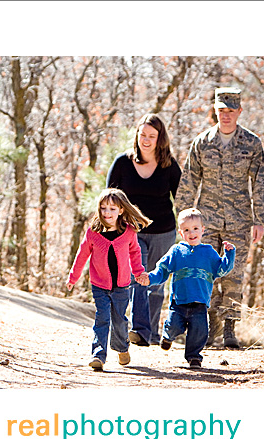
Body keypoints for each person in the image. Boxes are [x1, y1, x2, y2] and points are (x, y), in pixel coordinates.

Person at [175, 87, 264, 348]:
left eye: (230, 111)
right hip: (206, 221)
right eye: (221, 111)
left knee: (234, 273)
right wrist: (182, 219)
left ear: (239, 111)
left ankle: (230, 328)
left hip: (240, 220)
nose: (225, 116)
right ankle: (208, 324)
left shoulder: (251, 144)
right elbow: (188, 182)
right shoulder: (202, 143)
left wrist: (260, 219)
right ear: (215, 111)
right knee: (206, 272)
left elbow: (261, 182)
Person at [106, 113, 182, 347]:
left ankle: (150, 333)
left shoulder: (169, 165)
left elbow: (182, 198)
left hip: (163, 231)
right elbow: (109, 197)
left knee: (156, 283)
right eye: (143, 135)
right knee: (134, 280)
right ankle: (138, 330)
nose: (146, 140)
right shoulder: (122, 163)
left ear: (160, 139)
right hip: (131, 232)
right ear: (137, 135)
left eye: (152, 136)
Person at [136, 208, 235, 368]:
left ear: (202, 230)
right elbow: (162, 270)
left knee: (200, 331)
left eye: (195, 228)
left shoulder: (208, 252)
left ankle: (194, 357)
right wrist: (150, 278)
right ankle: (168, 336)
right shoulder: (176, 251)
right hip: (179, 302)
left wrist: (229, 255)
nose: (192, 233)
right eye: (187, 230)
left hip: (200, 303)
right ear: (181, 233)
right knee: (175, 325)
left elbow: (221, 269)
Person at [66, 188, 152, 371]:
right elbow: (82, 255)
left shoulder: (128, 232)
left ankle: (122, 348)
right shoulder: (93, 232)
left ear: (121, 210)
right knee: (102, 318)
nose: (107, 213)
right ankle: (98, 355)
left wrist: (139, 272)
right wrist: (73, 276)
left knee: (120, 320)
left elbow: (135, 252)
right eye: (104, 208)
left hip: (122, 285)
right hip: (99, 285)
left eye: (112, 209)